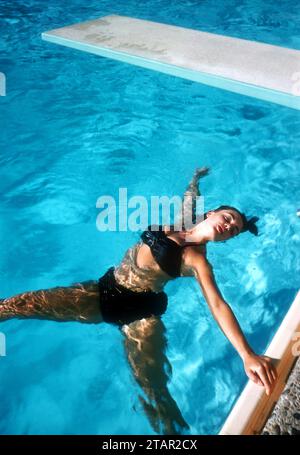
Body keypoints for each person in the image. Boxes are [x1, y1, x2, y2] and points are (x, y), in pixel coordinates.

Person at [0, 167, 278, 435]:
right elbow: (189, 199)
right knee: (16, 305)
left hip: (139, 317)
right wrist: (195, 179)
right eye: (229, 218)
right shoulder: (184, 221)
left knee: (155, 393)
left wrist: (247, 355)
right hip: (102, 290)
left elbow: (218, 305)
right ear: (212, 213)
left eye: (233, 229)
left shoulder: (197, 261)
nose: (229, 226)